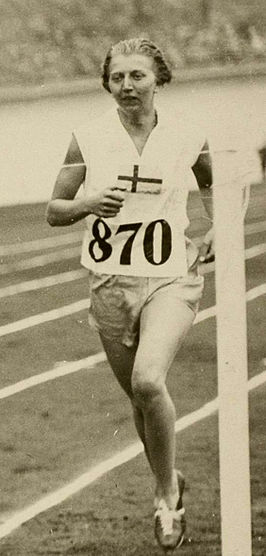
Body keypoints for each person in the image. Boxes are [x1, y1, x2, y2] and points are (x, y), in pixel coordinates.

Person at [46, 38, 214, 551]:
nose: (126, 86)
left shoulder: (188, 135)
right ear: (107, 83)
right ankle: (171, 479)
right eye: (117, 78)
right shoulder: (88, 138)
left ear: (158, 79)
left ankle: (166, 498)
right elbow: (55, 209)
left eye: (137, 76)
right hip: (110, 283)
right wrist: (89, 203)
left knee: (147, 381)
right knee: (141, 403)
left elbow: (213, 186)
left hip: (170, 276)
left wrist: (215, 229)